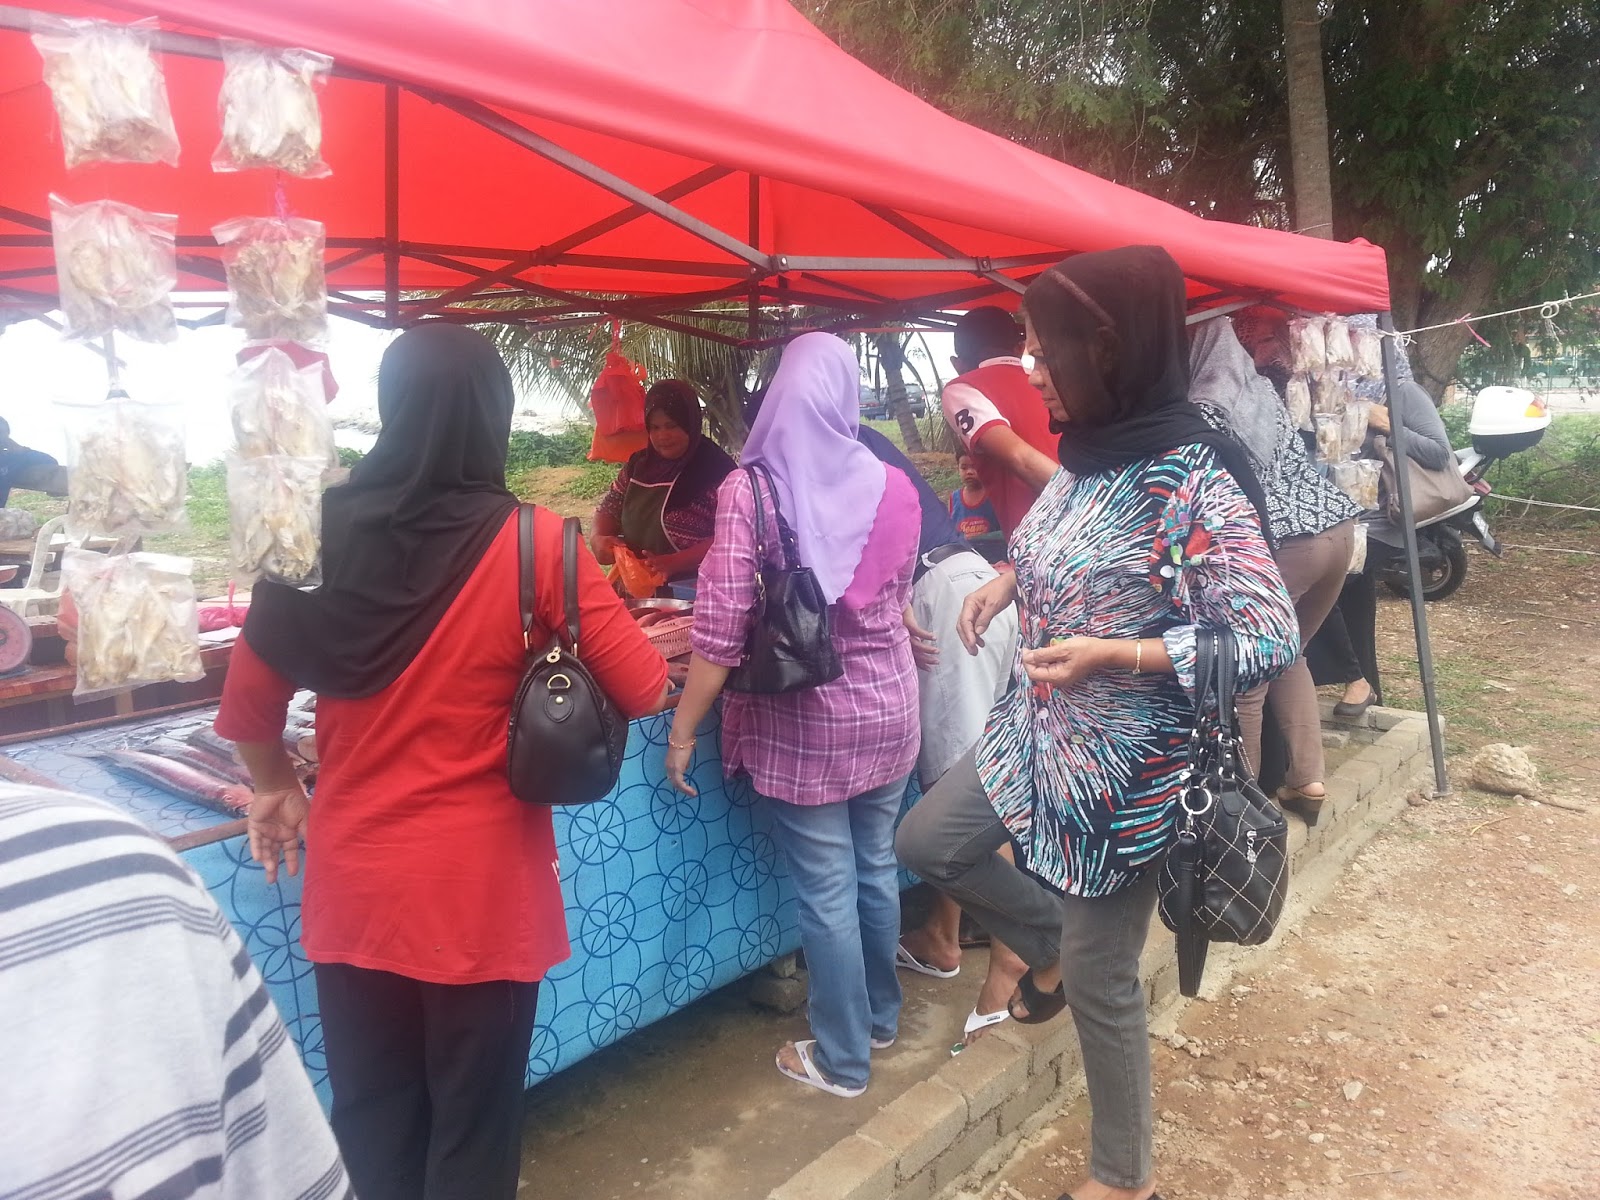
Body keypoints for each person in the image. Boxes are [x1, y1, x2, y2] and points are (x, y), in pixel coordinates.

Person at [215, 325, 670, 1200]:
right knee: (471, 1130)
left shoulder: (308, 538)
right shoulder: (537, 543)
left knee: (374, 1116)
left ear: (391, 408)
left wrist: (274, 787)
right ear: (493, 417)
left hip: (355, 884)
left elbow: (248, 708)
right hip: (480, 893)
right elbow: (647, 686)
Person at [931, 246, 1297, 1200]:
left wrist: (1119, 654)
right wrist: (1012, 578)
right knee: (927, 841)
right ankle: (1044, 943)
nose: (1032, 370)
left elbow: (1265, 634)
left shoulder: (1192, 473)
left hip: (1129, 773)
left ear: (1107, 347)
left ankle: (1123, 1177)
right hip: (1036, 733)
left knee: (1104, 979)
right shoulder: (1094, 447)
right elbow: (1072, 535)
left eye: (1043, 349)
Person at [665, 332, 921, 1099]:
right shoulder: (893, 483)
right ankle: (879, 1019)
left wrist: (682, 730)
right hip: (890, 707)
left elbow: (718, 631)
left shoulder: (752, 491)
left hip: (808, 722)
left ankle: (842, 1060)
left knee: (828, 889)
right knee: (873, 867)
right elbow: (898, 599)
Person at [0, 783, 351, 1199]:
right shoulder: (108, 857)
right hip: (388, 893)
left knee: (377, 1087)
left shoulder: (106, 856)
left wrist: (275, 780)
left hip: (358, 901)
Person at [856, 424, 1019, 1046]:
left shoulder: (831, 444)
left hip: (942, 599)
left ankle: (1010, 959)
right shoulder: (851, 434)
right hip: (968, 583)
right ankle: (942, 937)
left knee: (968, 795)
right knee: (965, 783)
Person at [1190, 318, 1359, 826]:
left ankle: (1240, 810)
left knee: (1246, 673)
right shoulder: (1259, 388)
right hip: (1336, 528)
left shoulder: (1204, 405)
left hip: (1287, 540)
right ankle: (1307, 780)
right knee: (1289, 654)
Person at [590, 379, 735, 591]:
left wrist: (676, 562)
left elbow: (733, 534)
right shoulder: (638, 466)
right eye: (655, 427)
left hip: (696, 590)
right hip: (636, 589)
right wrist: (598, 539)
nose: (662, 436)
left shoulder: (717, 469)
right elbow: (609, 508)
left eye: (671, 426)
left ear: (690, 423)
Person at [940, 306, 1060, 534]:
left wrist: (1085, 501)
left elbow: (1019, 458)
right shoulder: (1048, 380)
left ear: (957, 364)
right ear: (1021, 348)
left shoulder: (961, 389)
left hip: (1040, 533)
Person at [947, 448, 1004, 560]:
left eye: (974, 467)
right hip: (966, 560)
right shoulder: (954, 499)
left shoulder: (994, 496)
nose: (969, 472)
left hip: (994, 560)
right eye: (964, 468)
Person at [0, 417, 63, 508]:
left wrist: (22, 450)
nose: (1, 439)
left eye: (3, 435)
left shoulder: (12, 460)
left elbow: (50, 460)